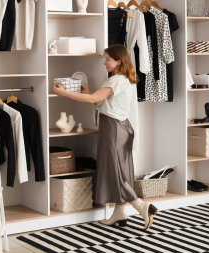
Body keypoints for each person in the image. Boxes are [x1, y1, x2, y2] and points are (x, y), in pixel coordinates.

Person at [53, 44, 157, 229]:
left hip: (113, 129)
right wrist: (89, 93)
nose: (104, 62)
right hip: (122, 127)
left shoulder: (115, 80)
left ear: (118, 61)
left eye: (107, 59)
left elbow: (94, 100)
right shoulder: (124, 79)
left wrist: (64, 93)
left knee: (114, 172)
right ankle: (119, 213)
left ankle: (142, 206)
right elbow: (103, 102)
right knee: (120, 170)